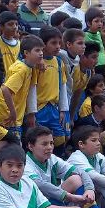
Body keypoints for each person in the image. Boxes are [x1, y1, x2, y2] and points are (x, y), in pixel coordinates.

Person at [25, 126, 105, 208]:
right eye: (44, 144)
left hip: (52, 202)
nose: (50, 147)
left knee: (76, 179)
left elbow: (81, 172)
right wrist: (68, 196)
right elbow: (41, 185)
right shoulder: (25, 164)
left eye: (51, 143)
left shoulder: (51, 159)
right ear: (30, 146)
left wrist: (89, 188)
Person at [0, 34, 43, 137]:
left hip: (15, 115)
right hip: (8, 115)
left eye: (41, 50)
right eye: (37, 50)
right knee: (12, 147)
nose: (41, 54)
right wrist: (13, 112)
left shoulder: (29, 66)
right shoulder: (22, 69)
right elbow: (5, 89)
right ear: (26, 53)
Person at [34, 26, 70, 155]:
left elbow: (63, 87)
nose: (58, 46)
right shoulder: (36, 63)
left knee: (60, 138)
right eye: (53, 43)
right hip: (39, 109)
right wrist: (32, 111)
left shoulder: (59, 62)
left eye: (59, 43)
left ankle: (56, 165)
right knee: (39, 138)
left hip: (53, 108)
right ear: (43, 44)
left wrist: (63, 109)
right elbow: (31, 88)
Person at [83, 7, 105, 77]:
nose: (100, 24)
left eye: (101, 21)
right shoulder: (84, 35)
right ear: (89, 23)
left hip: (103, 66)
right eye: (96, 21)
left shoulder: (99, 34)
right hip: (93, 68)